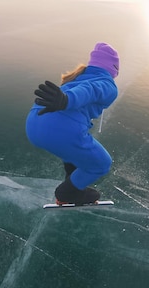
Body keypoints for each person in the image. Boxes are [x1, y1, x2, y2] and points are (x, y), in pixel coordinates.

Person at [25, 42, 119, 205]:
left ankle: (74, 186)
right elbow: (90, 90)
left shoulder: (78, 77)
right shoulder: (108, 85)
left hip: (33, 125)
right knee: (102, 164)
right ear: (113, 68)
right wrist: (67, 100)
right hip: (61, 130)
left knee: (73, 152)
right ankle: (67, 193)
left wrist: (65, 99)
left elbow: (84, 88)